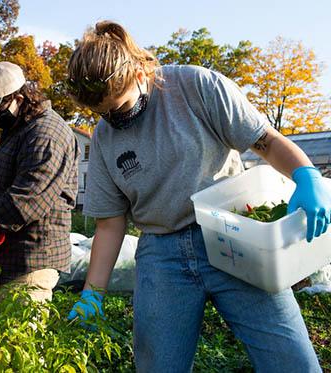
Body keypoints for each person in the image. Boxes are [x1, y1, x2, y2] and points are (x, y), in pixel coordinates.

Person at [65, 21, 329, 372]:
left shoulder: (194, 86)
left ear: (141, 71)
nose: (115, 119)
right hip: (162, 255)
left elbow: (264, 141)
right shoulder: (103, 137)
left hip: (232, 236)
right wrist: (92, 291)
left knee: (290, 360)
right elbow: (111, 224)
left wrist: (306, 175)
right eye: (105, 113)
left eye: (120, 106)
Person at [0, 61, 79, 302]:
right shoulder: (20, 128)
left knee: (19, 338)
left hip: (31, 260)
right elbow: (10, 181)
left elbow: (24, 203)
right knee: (3, 338)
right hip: (9, 259)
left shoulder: (45, 134)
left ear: (20, 97)